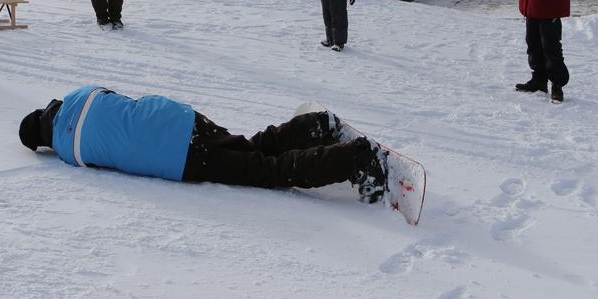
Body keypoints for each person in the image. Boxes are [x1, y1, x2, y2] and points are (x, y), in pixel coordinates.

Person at [19, 86, 388, 202]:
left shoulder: (70, 153)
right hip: (181, 120)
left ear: (43, 142)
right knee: (249, 148)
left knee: (264, 170)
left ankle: (354, 160)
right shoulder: (80, 93)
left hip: (178, 157)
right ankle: (315, 126)